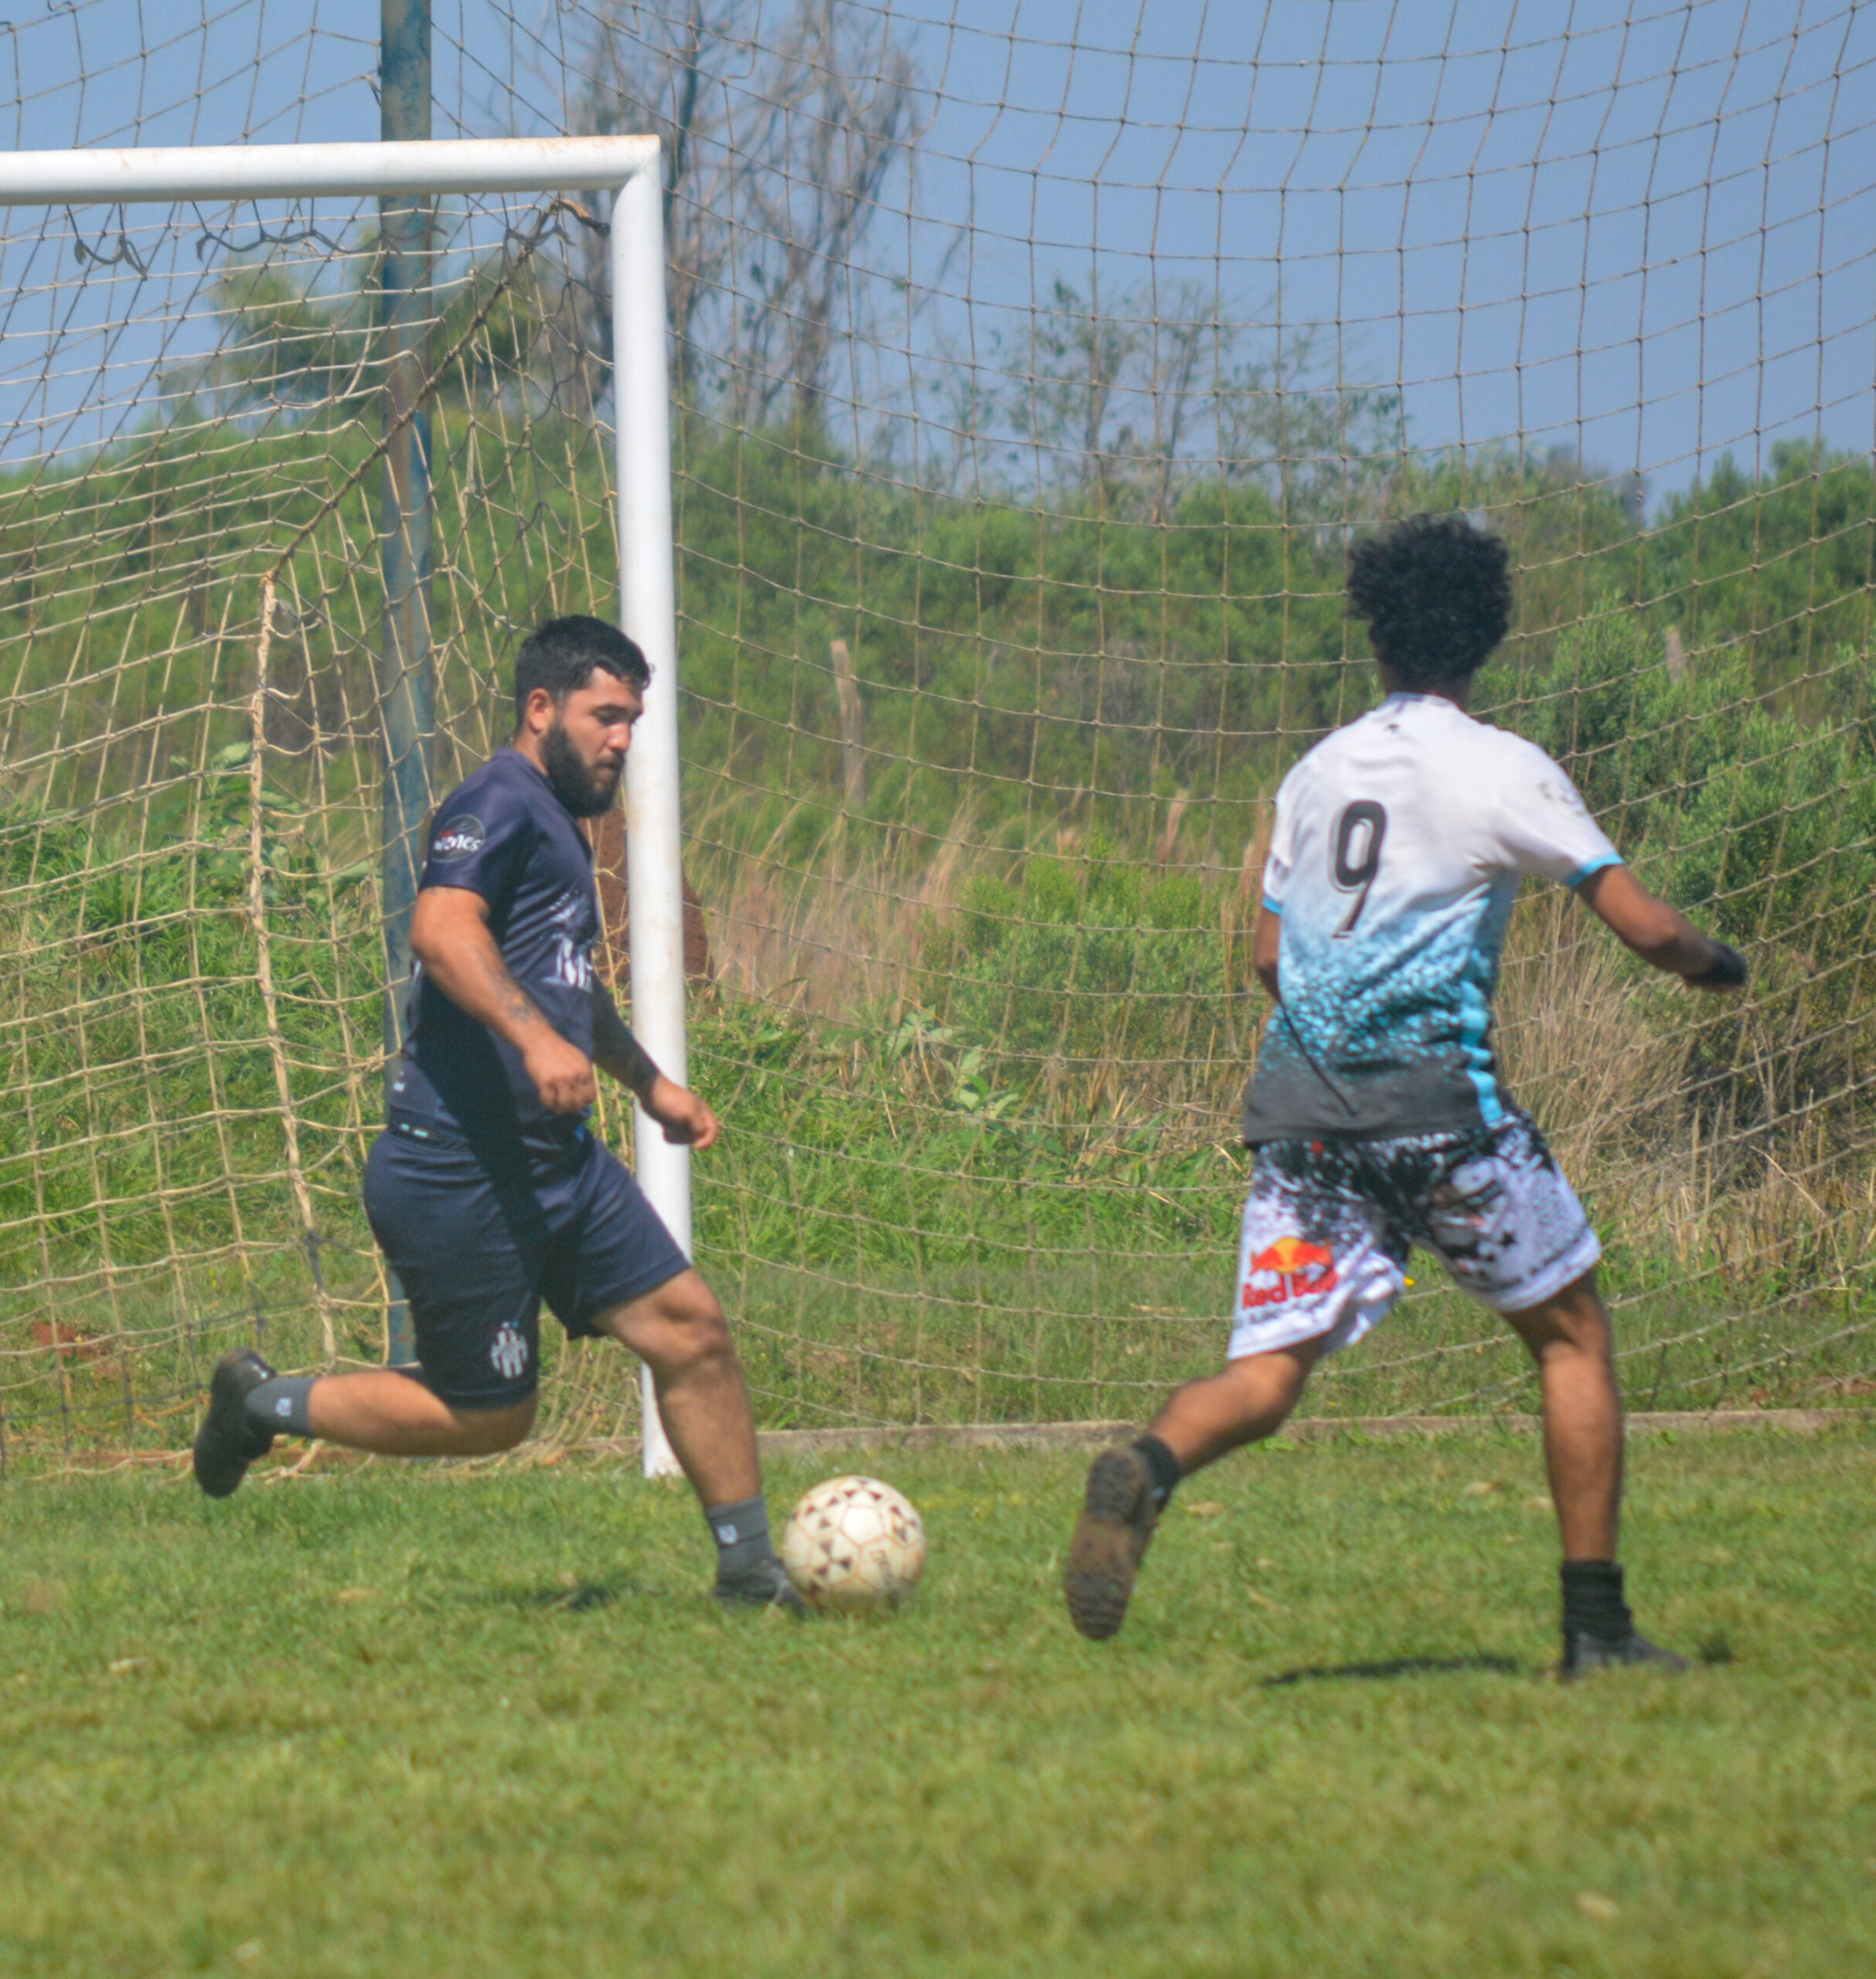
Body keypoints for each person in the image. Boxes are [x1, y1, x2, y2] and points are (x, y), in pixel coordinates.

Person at [1063, 514, 1747, 1676]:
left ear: (1376, 634)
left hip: (1301, 1124)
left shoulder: (1317, 771)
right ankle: (1596, 1633)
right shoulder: (1503, 766)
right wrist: (1715, 964)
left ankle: (1152, 1464)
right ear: (1488, 634)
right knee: (1572, 1339)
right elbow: (1642, 926)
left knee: (1271, 1369)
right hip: (1440, 1122)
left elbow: (1270, 957)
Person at [192, 615, 802, 1611]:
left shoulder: (562, 822)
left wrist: (648, 1084)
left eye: (633, 720)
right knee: (489, 1418)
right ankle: (261, 1404)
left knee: (691, 1330)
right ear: (541, 708)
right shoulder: (496, 801)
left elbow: (568, 986)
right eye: (606, 716)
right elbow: (441, 930)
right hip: (457, 1167)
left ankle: (750, 1576)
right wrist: (532, 1041)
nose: (622, 739)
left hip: (556, 1159)